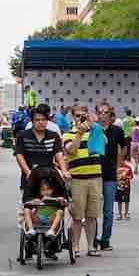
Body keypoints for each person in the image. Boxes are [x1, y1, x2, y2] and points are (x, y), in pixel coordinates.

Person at [61, 104, 105, 257]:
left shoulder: (95, 131)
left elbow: (104, 144)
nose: (81, 118)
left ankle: (91, 247)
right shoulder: (68, 134)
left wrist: (94, 126)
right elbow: (71, 150)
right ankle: (76, 247)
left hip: (95, 177)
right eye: (78, 116)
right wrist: (79, 133)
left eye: (83, 115)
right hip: (77, 179)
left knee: (92, 215)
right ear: (73, 117)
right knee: (77, 216)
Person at [95, 102, 130, 252]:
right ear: (97, 114)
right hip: (93, 174)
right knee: (92, 211)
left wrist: (119, 163)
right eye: (100, 112)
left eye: (106, 112)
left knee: (108, 211)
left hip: (110, 175)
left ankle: (105, 240)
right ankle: (92, 239)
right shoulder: (93, 129)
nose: (103, 115)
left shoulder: (117, 130)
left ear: (110, 114)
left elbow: (124, 146)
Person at [20, 168, 69, 259]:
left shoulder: (56, 198)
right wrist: (33, 202)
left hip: (51, 220)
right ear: (40, 191)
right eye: (43, 190)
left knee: (59, 212)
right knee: (27, 210)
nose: (46, 192)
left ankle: (51, 231)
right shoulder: (37, 198)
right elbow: (27, 205)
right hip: (38, 219)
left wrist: (62, 200)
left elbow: (65, 203)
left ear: (52, 189)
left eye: (48, 189)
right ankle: (30, 229)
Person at [14, 103, 67, 184]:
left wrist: (64, 170)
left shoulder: (54, 136)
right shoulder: (23, 136)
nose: (41, 122)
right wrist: (28, 172)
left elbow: (58, 154)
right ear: (32, 121)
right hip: (30, 176)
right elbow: (19, 155)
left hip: (49, 176)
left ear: (47, 121)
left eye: (43, 119)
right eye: (37, 120)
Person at [116, 154, 134, 222]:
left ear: (124, 160)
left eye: (122, 160)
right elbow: (115, 176)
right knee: (119, 200)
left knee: (127, 200)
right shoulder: (117, 168)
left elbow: (131, 177)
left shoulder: (128, 167)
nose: (121, 162)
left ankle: (126, 214)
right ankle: (119, 214)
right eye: (119, 160)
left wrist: (125, 177)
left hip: (126, 186)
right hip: (119, 186)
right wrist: (118, 178)